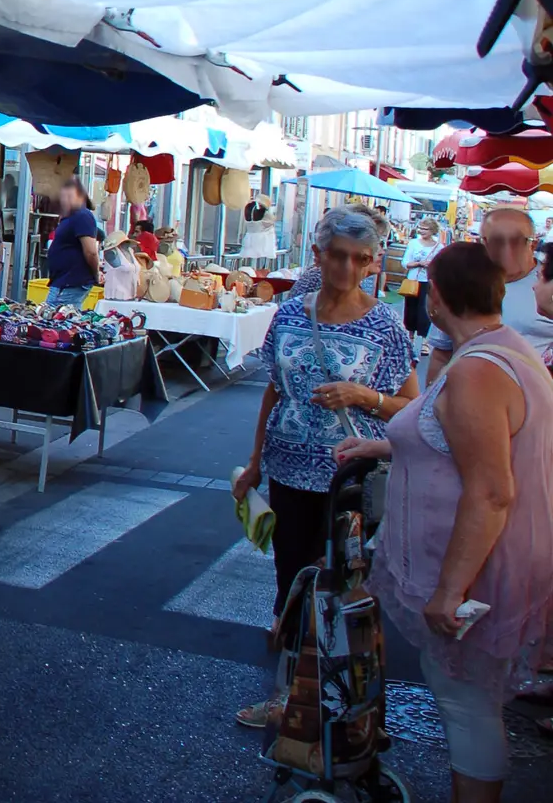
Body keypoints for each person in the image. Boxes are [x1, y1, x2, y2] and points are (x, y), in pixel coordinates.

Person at [338, 243, 553, 800]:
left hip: (474, 567)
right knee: (469, 704)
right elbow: (451, 442)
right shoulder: (499, 350)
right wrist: (384, 447)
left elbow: (490, 490)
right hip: (486, 559)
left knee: (466, 708)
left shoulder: (478, 370)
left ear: (437, 296)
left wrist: (450, 590)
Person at [232, 203, 418, 728]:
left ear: (372, 263)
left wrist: (364, 395)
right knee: (292, 579)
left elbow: (413, 408)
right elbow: (273, 391)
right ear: (318, 254)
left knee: (340, 588)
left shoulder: (385, 326)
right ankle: (293, 697)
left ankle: (345, 702)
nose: (347, 269)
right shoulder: (291, 310)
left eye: (361, 259)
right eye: (338, 256)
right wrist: (254, 464)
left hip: (350, 479)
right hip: (290, 470)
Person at [424, 207, 553, 386]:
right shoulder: (461, 282)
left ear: (532, 243)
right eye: (497, 241)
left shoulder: (547, 285)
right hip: (466, 394)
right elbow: (441, 354)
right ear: (482, 242)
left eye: (517, 241)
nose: (507, 250)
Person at [43, 178, 100, 308]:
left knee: (57, 320)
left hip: (71, 283)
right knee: (53, 319)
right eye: (63, 196)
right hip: (62, 282)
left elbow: (91, 251)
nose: (64, 200)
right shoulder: (71, 217)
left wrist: (96, 273)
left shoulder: (83, 216)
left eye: (69, 196)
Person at [401, 217, 445, 345]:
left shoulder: (439, 246)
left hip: (428, 281)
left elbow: (440, 265)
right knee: (410, 308)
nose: (422, 231)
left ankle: (424, 340)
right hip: (413, 280)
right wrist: (419, 263)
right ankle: (410, 336)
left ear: (432, 231)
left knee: (425, 309)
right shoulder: (413, 243)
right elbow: (405, 262)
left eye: (425, 229)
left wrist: (431, 265)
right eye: (420, 228)